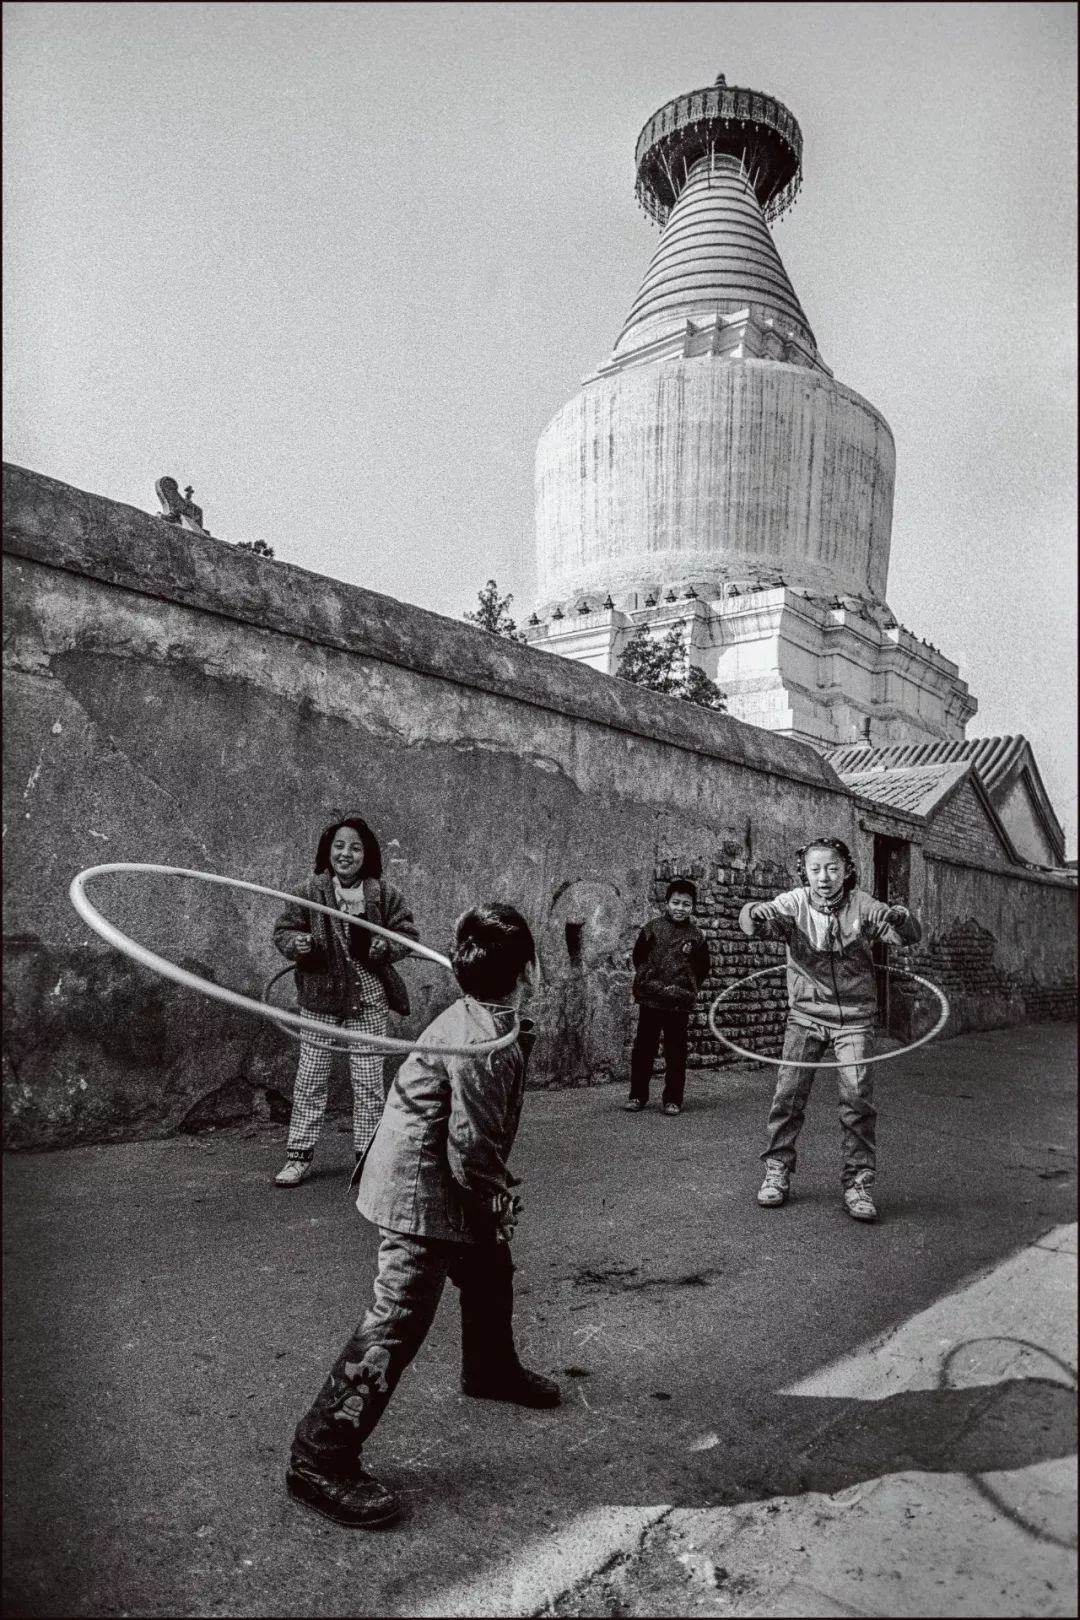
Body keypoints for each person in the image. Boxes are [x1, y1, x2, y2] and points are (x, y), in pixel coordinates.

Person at [286, 902, 559, 1529]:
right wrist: (498, 1200)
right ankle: (319, 1456)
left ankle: (489, 1369)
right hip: (420, 1190)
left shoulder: (487, 1021)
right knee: (398, 1317)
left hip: (437, 1174)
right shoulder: (484, 1038)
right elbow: (473, 1148)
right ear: (528, 970)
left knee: (490, 1268)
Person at [739, 836, 921, 1222]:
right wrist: (754, 912)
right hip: (805, 1016)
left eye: (833, 868)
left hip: (854, 1019)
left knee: (857, 1102)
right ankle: (777, 1171)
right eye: (815, 868)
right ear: (804, 871)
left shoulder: (863, 905)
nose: (824, 877)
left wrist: (899, 919)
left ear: (847, 871)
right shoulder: (794, 903)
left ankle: (858, 1183)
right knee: (788, 1096)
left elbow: (906, 936)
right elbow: (758, 921)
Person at [271, 814, 419, 1187]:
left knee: (368, 1081)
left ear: (366, 854)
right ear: (328, 851)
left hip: (368, 997)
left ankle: (367, 1159)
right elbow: (284, 930)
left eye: (355, 847)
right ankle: (298, 1158)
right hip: (320, 998)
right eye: (339, 846)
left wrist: (387, 946)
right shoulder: (309, 891)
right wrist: (297, 945)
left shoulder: (383, 894)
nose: (346, 854)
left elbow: (407, 933)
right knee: (311, 1077)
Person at [625, 878, 711, 1116]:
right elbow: (639, 959)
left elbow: (702, 968)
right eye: (676, 902)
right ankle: (637, 1096)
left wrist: (683, 988)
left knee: (676, 1051)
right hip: (651, 999)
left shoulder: (697, 937)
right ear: (666, 903)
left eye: (686, 904)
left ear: (693, 907)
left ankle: (673, 1099)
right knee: (644, 1048)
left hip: (678, 1004)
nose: (680, 908)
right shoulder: (651, 929)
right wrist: (653, 985)